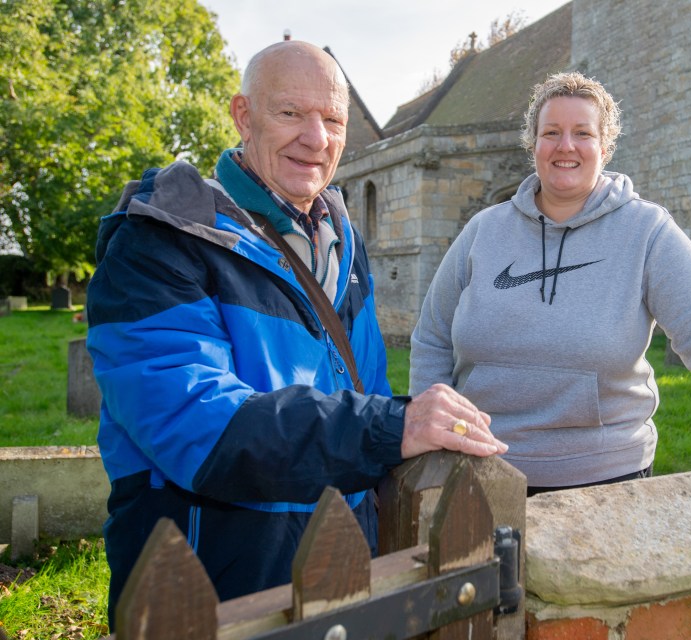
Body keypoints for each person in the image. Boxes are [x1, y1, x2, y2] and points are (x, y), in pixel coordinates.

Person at [86, 41, 507, 628]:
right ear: (242, 115)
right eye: (290, 113)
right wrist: (390, 426)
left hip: (341, 576)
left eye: (333, 119)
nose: (317, 138)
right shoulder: (161, 240)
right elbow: (197, 427)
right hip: (216, 589)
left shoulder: (342, 241)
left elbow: (365, 386)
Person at [409, 71, 691, 496]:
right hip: (477, 471)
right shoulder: (483, 231)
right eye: (551, 132)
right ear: (533, 144)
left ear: (605, 145)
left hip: (604, 479)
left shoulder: (648, 232)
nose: (566, 146)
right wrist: (432, 428)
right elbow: (432, 337)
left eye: (583, 133)